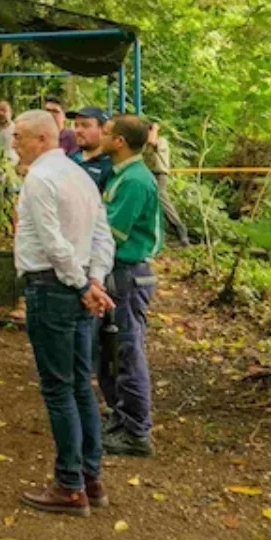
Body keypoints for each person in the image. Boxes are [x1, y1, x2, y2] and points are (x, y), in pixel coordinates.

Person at [11, 110, 116, 518]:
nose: (14, 142)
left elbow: (54, 244)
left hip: (53, 289)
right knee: (79, 385)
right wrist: (95, 280)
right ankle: (91, 476)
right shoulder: (80, 176)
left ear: (41, 138)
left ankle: (70, 484)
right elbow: (101, 235)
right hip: (77, 288)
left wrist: (82, 283)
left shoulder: (41, 178)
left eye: (19, 136)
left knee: (59, 387)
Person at [99, 115, 165, 457]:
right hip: (118, 272)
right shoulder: (122, 175)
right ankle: (120, 416)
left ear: (120, 141)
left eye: (107, 133)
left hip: (128, 273)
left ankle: (137, 431)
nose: (101, 136)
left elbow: (111, 231)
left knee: (128, 349)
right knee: (111, 350)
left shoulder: (135, 181)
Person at [145, 119, 191, 244]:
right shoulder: (145, 146)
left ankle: (180, 231)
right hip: (149, 175)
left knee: (162, 199)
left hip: (159, 175)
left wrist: (154, 128)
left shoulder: (161, 141)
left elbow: (152, 141)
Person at [70, 107, 115, 192]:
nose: (78, 130)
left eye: (85, 125)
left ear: (103, 129)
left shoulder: (110, 165)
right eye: (76, 125)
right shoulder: (70, 160)